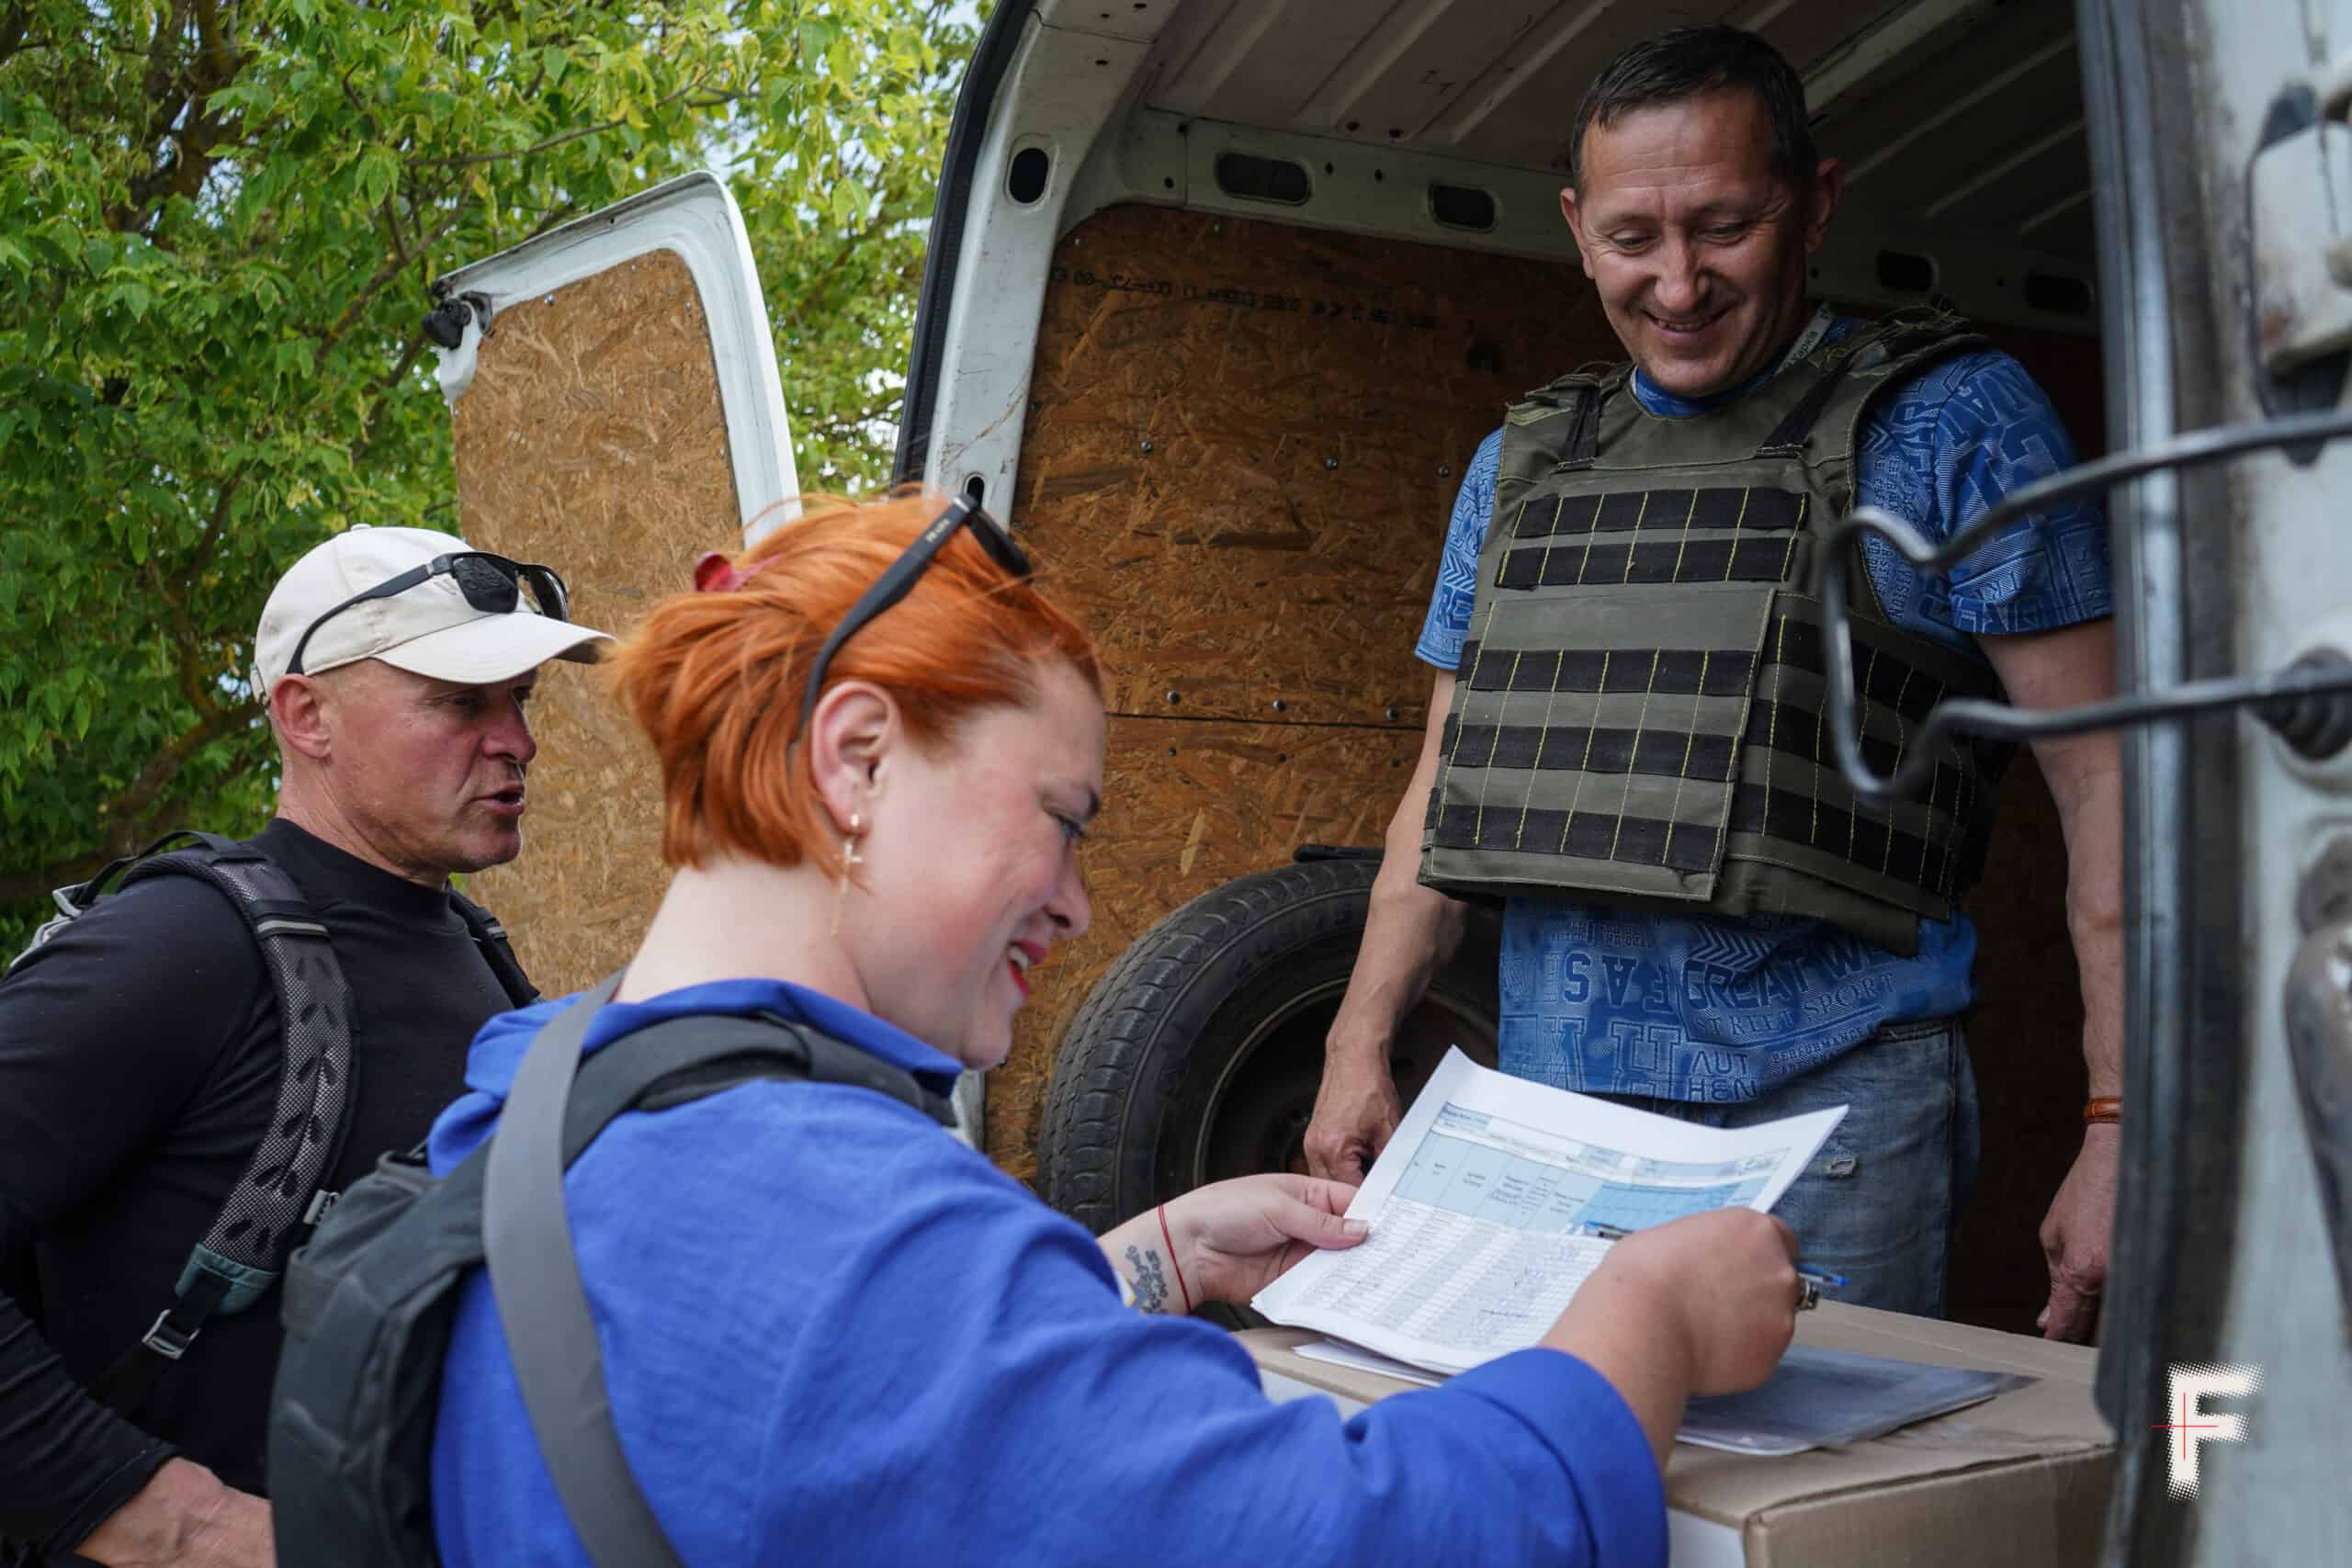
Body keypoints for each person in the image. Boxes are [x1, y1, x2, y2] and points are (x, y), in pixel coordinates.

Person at [424, 491, 1806, 1566]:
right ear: (858, 755)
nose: (1080, 904)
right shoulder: (852, 1229)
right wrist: (1646, 1310)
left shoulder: (544, 1097)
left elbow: (806, 1416)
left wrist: (1142, 1261)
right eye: (1062, 819)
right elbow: (1396, 1540)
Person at [1305, 23, 2122, 1339]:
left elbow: (2114, 791)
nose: (1677, 284)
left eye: (1724, 227)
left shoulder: (1954, 424)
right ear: (1577, 228)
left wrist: (2119, 1120)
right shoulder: (1517, 468)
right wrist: (1356, 1046)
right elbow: (1439, 800)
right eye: (1634, 239)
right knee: (1576, 1511)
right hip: (1549, 1134)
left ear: (1815, 206)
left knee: (1802, 1536)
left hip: (1830, 1134)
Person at [0, 526, 610, 1566]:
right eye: (462, 702)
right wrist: (166, 1518)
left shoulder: (479, 957)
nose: (517, 740)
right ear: (306, 715)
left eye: (521, 699)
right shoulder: (183, 948)